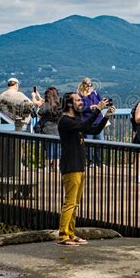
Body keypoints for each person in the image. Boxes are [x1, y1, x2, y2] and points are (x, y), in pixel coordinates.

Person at [57, 93, 114, 246]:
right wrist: (97, 110)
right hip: (71, 165)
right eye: (78, 100)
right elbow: (84, 126)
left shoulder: (75, 120)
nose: (81, 102)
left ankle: (71, 233)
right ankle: (63, 235)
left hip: (80, 165)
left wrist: (106, 116)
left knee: (75, 203)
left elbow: (93, 130)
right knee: (70, 202)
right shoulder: (65, 121)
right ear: (69, 104)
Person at [77, 78, 106, 165]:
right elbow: (79, 108)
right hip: (87, 122)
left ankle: (99, 162)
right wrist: (90, 108)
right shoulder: (80, 96)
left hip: (98, 121)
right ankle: (90, 161)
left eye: (90, 85)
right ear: (83, 85)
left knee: (100, 142)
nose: (89, 86)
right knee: (88, 143)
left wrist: (103, 103)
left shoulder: (96, 93)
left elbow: (101, 103)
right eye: (87, 85)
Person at [37, 86, 62, 165]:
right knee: (57, 150)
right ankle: (56, 167)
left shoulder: (46, 105)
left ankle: (47, 167)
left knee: (49, 150)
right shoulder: (60, 105)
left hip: (47, 130)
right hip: (58, 131)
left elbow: (39, 113)